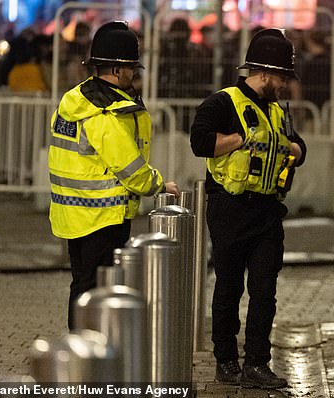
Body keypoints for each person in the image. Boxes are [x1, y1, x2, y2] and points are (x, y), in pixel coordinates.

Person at [190, 28, 307, 389]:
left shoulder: (276, 110)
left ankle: (257, 362)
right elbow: (200, 142)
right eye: (283, 77)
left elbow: (297, 146)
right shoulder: (222, 103)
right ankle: (226, 360)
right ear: (265, 74)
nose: (285, 84)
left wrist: (294, 149)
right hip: (229, 208)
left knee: (264, 290)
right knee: (228, 288)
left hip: (268, 211)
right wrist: (242, 139)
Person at [48, 21, 179, 329]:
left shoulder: (73, 101)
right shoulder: (107, 114)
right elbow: (130, 169)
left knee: (82, 283)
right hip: (103, 215)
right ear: (119, 70)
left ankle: (82, 351)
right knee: (97, 289)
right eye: (133, 69)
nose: (135, 76)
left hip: (71, 213)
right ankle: (89, 358)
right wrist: (160, 184)